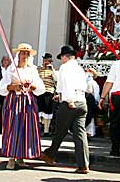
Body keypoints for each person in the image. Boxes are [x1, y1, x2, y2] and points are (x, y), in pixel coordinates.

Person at [41, 45, 90, 174]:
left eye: (61, 57)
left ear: (64, 57)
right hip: (82, 101)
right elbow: (85, 86)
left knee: (60, 131)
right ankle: (83, 164)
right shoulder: (80, 69)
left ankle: (50, 154)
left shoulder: (65, 67)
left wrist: (69, 99)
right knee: (80, 134)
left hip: (70, 102)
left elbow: (67, 84)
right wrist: (62, 95)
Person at [0, 43, 45, 170]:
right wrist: (15, 87)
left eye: (27, 54)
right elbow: (2, 88)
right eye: (23, 53)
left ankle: (21, 156)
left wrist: (31, 86)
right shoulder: (11, 70)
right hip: (13, 101)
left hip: (28, 102)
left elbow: (40, 88)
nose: (25, 56)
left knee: (26, 128)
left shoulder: (33, 70)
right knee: (12, 127)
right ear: (18, 55)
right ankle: (11, 157)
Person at [36, 53, 56, 136]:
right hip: (40, 91)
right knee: (39, 110)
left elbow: (56, 80)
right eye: (46, 60)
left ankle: (46, 130)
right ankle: (39, 128)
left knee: (47, 111)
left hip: (49, 91)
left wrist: (53, 70)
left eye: (48, 61)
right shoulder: (38, 69)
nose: (47, 62)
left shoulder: (52, 70)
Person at [84, 67, 100, 139]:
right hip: (84, 100)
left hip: (90, 101)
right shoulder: (83, 81)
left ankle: (89, 133)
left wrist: (97, 102)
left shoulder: (93, 83)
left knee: (90, 117)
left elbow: (96, 94)